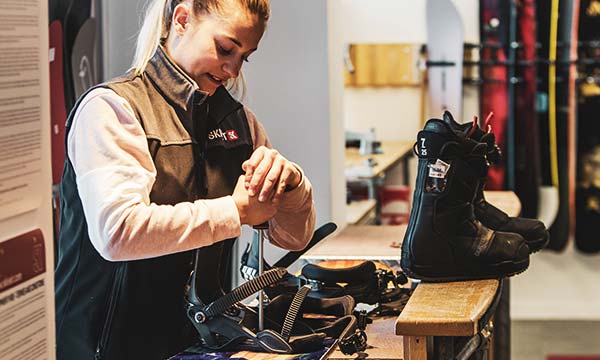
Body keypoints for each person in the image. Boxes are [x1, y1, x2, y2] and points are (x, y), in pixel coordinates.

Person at [54, 0, 315, 358]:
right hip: (103, 347)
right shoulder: (111, 110)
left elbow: (291, 236)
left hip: (199, 347)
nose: (234, 70)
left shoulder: (240, 123)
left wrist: (293, 186)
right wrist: (235, 211)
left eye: (245, 57)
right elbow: (117, 233)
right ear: (181, 19)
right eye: (226, 49)